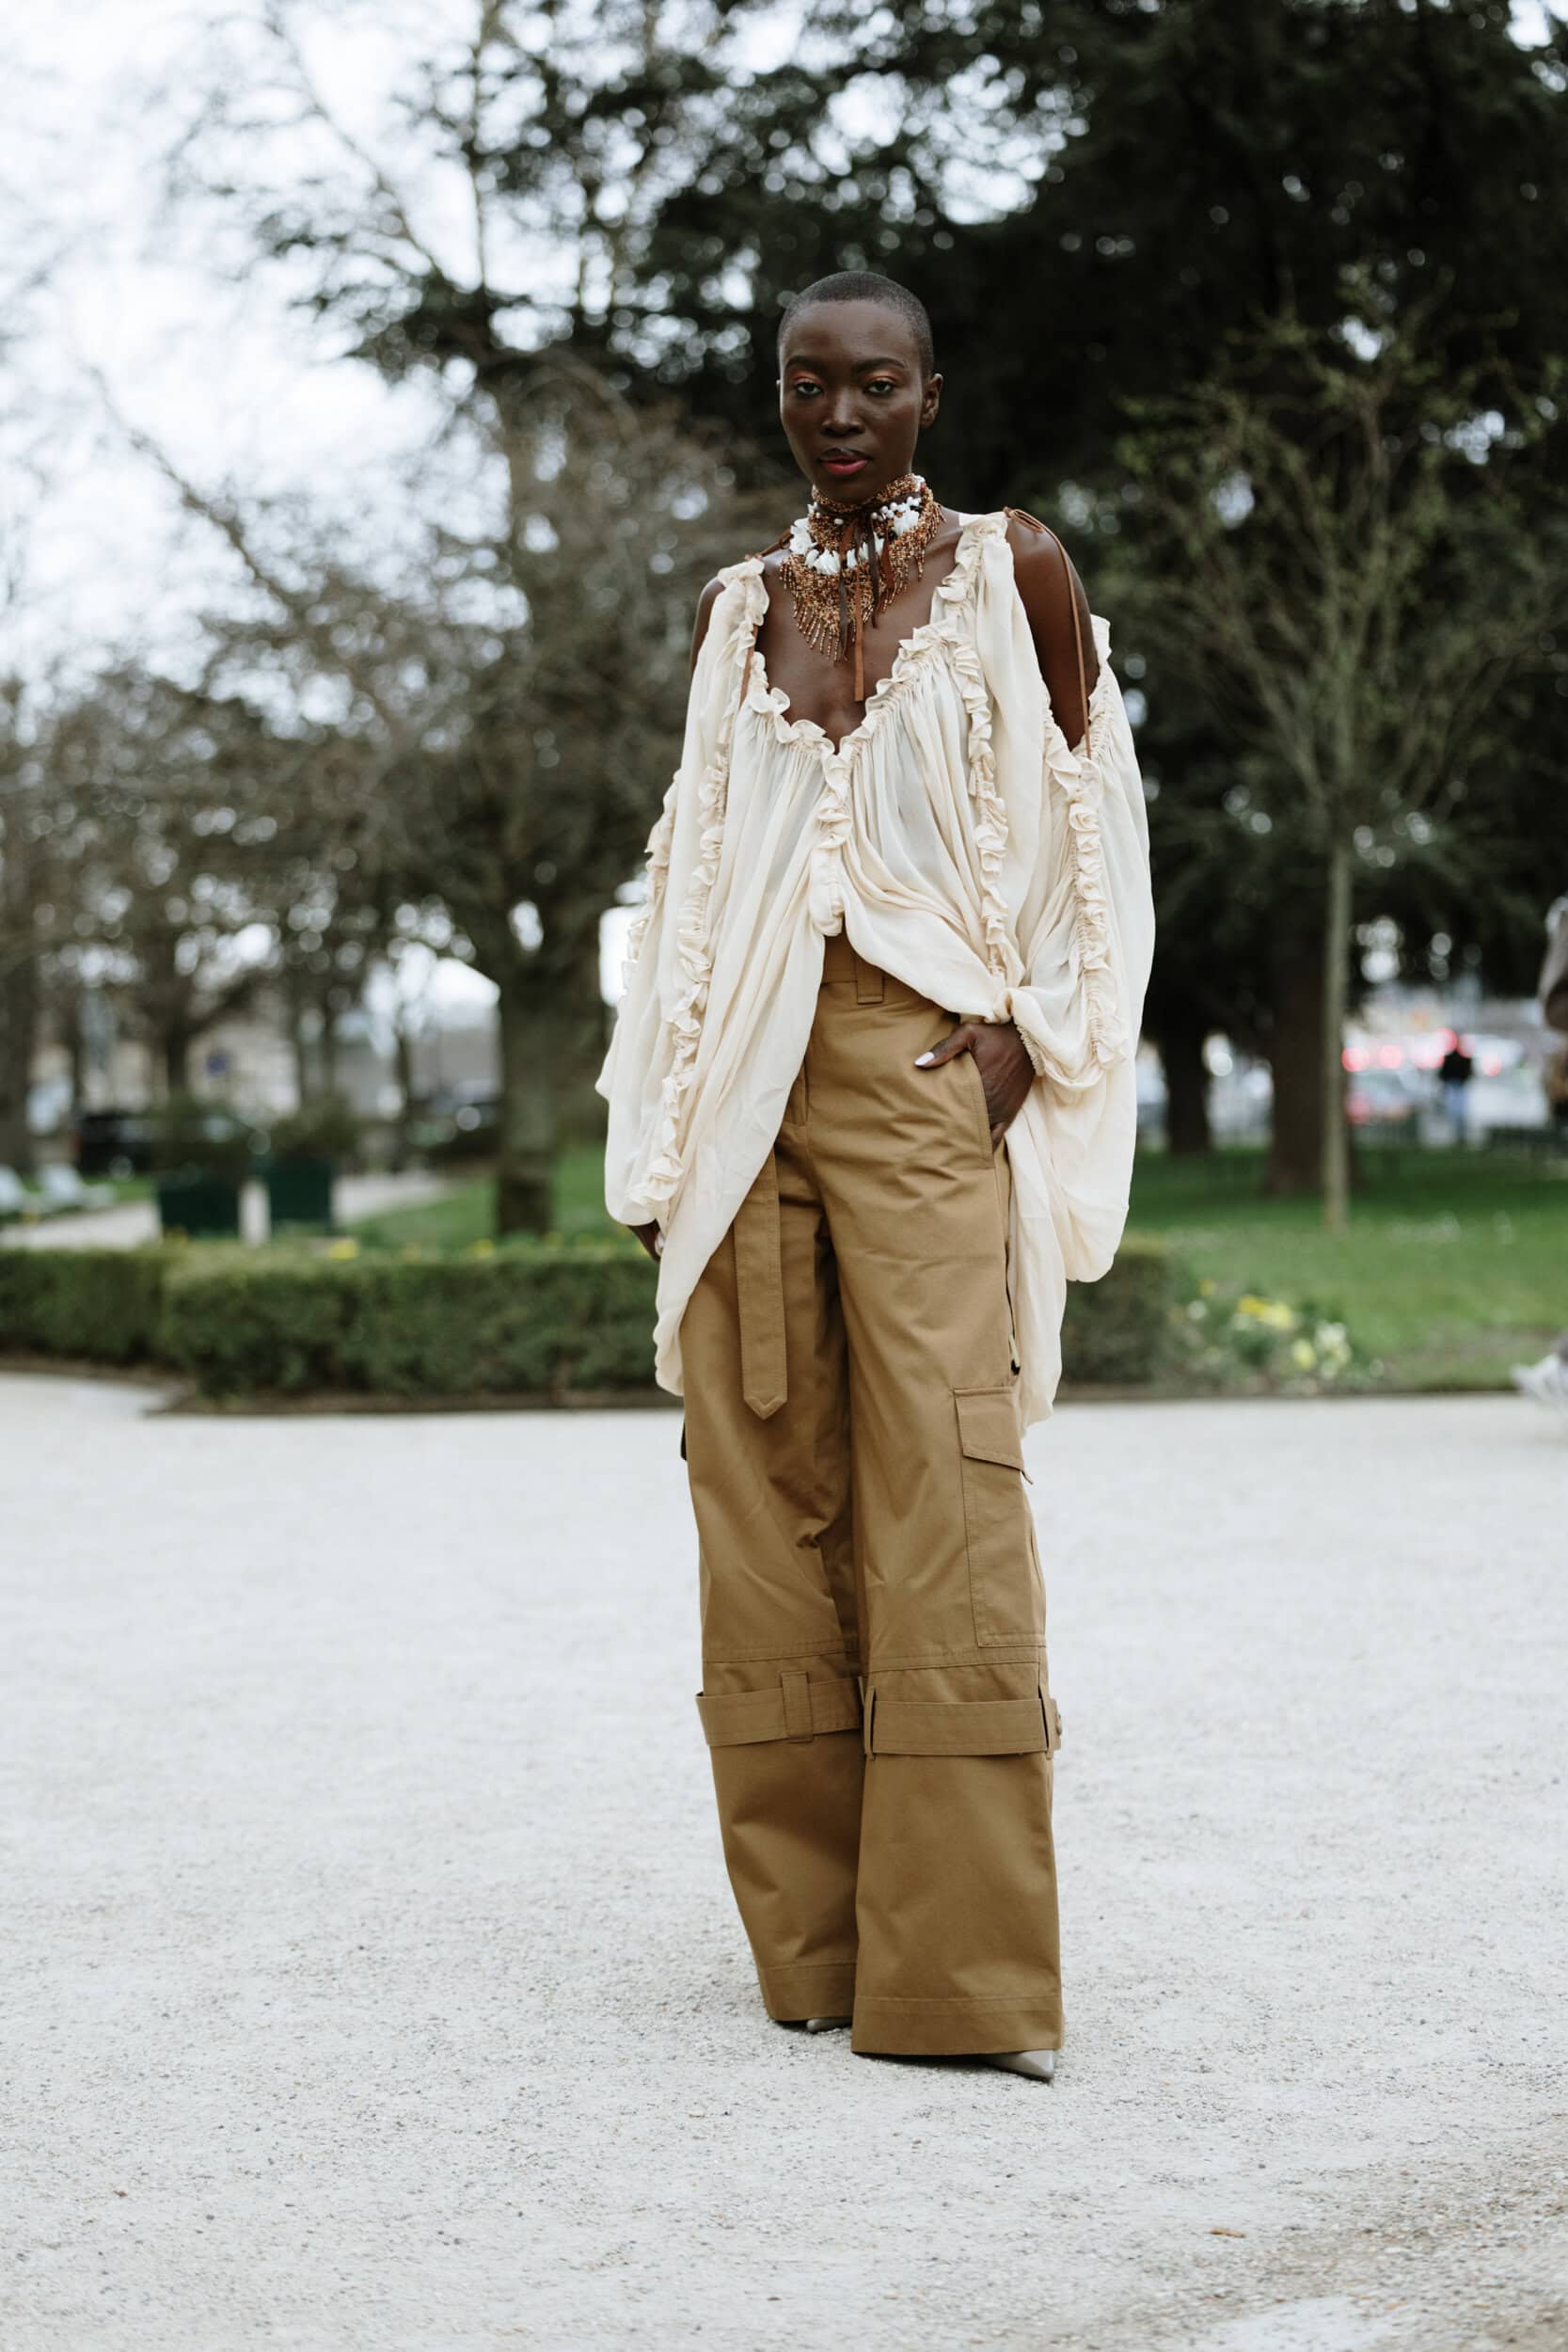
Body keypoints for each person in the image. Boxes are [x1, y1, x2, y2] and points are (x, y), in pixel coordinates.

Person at [596, 271, 1155, 2080]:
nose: (840, 415)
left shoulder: (1015, 571)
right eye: (807, 386)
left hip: (922, 1066)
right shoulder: (733, 613)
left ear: (929, 393)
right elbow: (690, 875)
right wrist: (663, 1123)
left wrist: (1027, 1043)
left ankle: (963, 1980)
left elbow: (1093, 824)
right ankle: (816, 1949)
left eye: (876, 384)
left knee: (946, 1470)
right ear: (779, 400)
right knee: (760, 1476)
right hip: (745, 1082)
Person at [1438, 1035, 1475, 1140]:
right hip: (1453, 1085)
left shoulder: (1460, 1059)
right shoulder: (1452, 1058)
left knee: (1459, 1110)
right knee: (1455, 1110)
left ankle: (1459, 1132)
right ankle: (1456, 1132)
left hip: (1458, 1086)